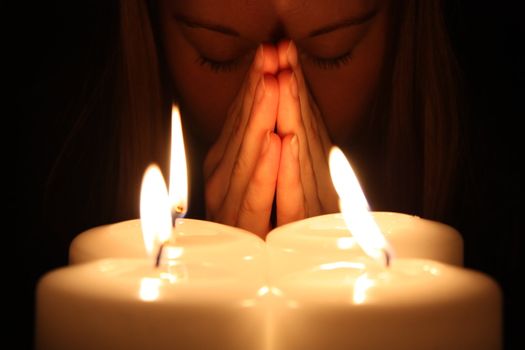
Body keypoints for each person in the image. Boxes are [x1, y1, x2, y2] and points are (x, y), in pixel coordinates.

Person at [18, 0, 520, 349]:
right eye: (217, 54)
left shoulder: (495, 215)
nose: (277, 91)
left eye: (334, 50)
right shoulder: (45, 196)